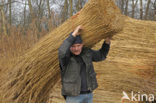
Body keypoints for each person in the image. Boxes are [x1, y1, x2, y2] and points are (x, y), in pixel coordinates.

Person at [58, 25, 111, 103]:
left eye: (78, 45)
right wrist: (74, 33)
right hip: (73, 96)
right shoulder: (66, 58)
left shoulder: (87, 53)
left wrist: (107, 42)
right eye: (73, 46)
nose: (76, 49)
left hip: (88, 94)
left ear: (82, 44)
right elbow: (62, 51)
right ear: (69, 47)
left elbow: (101, 55)